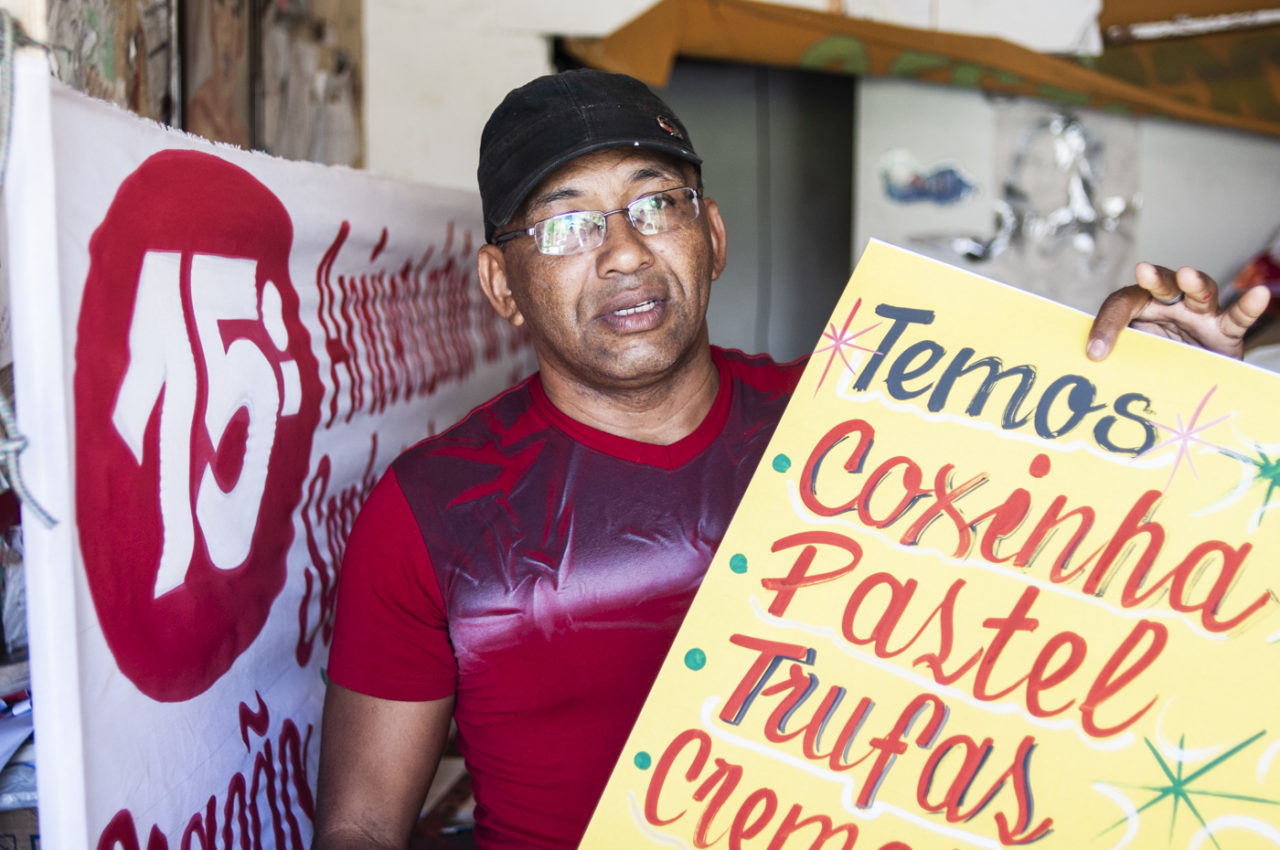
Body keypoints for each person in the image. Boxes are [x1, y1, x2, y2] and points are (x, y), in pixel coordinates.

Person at [312, 69, 1271, 849]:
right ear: (501, 283)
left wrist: (1184, 401)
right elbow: (360, 824)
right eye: (566, 224)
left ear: (713, 235)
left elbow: (1093, 564)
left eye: (656, 203)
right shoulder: (430, 510)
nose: (622, 253)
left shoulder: (862, 421)